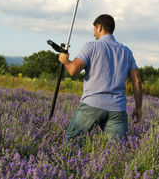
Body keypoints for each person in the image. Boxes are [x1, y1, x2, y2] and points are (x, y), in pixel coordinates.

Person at [58, 14, 142, 146]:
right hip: (118, 108)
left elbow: (73, 70)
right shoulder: (127, 52)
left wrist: (65, 60)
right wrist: (138, 107)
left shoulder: (91, 46)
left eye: (94, 29)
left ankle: (72, 167)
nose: (93, 33)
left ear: (99, 27)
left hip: (92, 105)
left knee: (73, 141)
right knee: (117, 151)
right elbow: (137, 81)